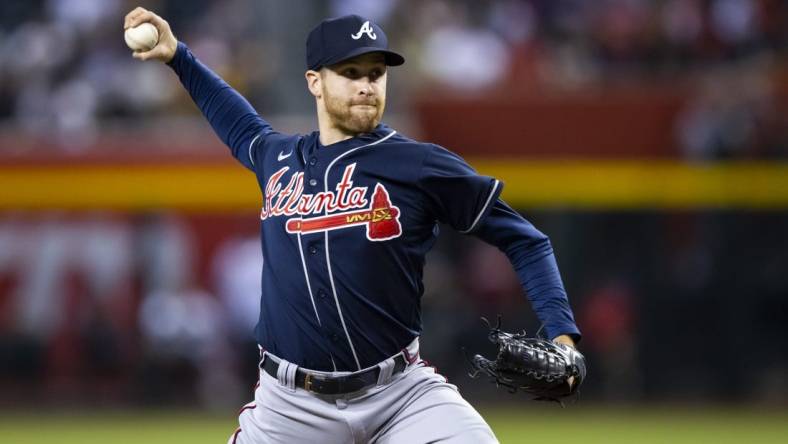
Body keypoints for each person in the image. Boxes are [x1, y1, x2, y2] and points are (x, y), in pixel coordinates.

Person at [124, 8, 582, 444]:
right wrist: (177, 56)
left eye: (375, 74)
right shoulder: (277, 159)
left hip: (401, 395)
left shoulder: (419, 164)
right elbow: (234, 118)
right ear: (315, 83)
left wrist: (563, 339)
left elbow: (526, 241)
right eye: (350, 73)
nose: (366, 85)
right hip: (290, 407)